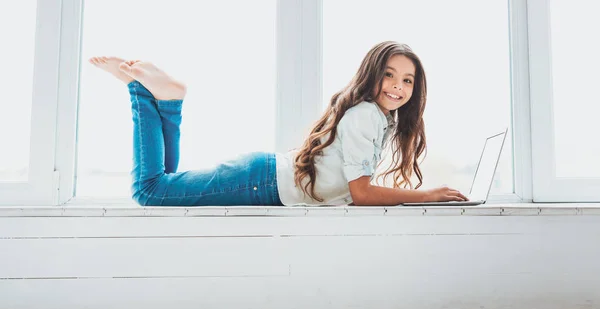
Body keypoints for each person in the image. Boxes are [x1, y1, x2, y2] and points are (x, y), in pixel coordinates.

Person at [89, 41, 468, 207]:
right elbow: (363, 193)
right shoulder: (367, 115)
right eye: (389, 75)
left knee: (163, 186)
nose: (398, 87)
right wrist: (428, 195)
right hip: (262, 182)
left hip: (264, 177)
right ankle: (143, 92)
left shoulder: (376, 118)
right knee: (151, 191)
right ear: (372, 75)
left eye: (407, 80)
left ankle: (168, 100)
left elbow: (354, 188)